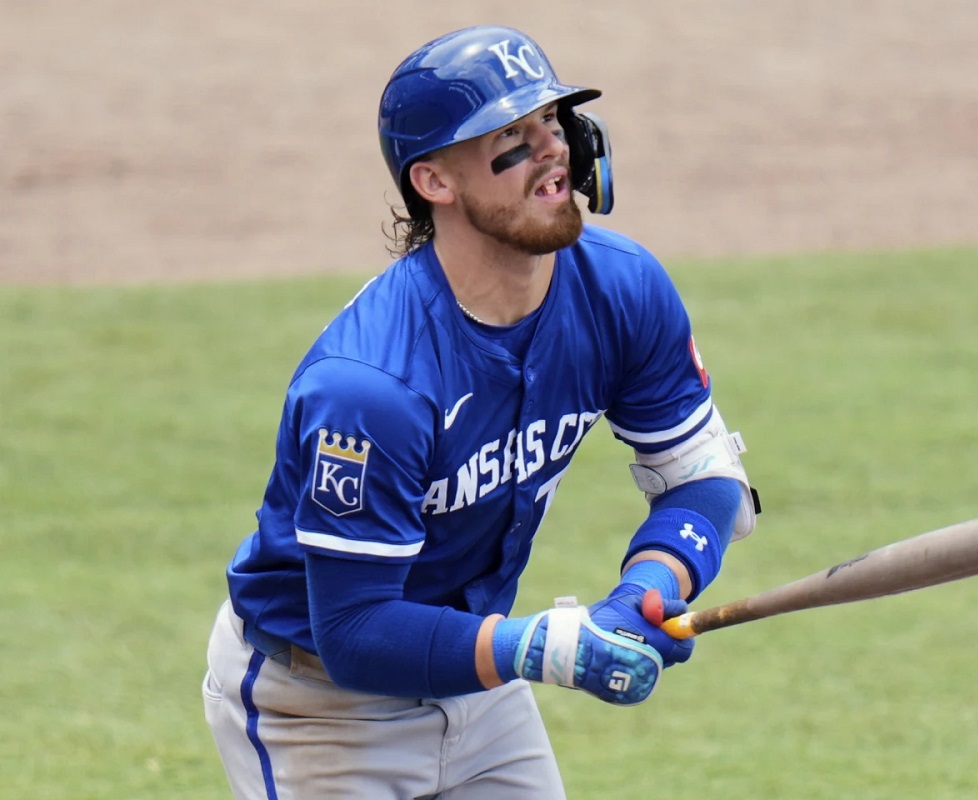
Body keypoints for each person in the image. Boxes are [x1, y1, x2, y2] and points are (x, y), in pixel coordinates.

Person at [201, 24, 759, 799]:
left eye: (551, 124)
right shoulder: (373, 386)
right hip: (321, 710)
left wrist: (648, 587)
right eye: (510, 137)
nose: (553, 149)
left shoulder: (621, 289)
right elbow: (358, 631)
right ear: (435, 182)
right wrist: (541, 646)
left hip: (481, 687)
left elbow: (701, 478)